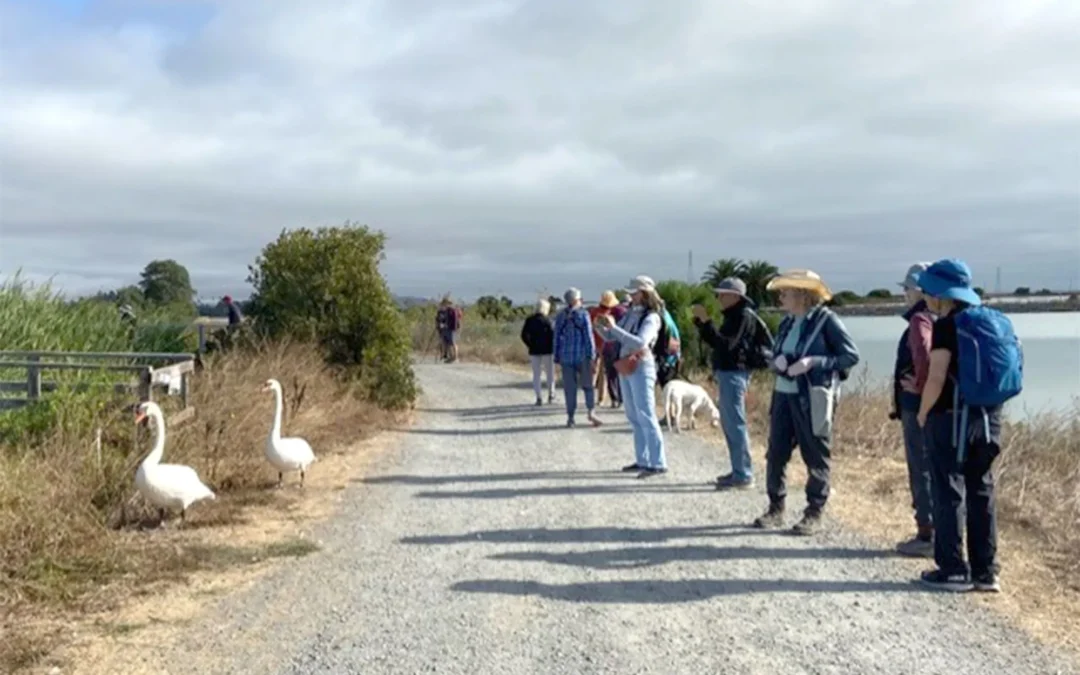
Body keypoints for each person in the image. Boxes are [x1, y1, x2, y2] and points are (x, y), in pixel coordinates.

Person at [915, 258, 1018, 593]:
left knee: (947, 490)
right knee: (981, 489)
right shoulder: (993, 320)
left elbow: (937, 376)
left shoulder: (948, 325)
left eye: (928, 291)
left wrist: (922, 412)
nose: (926, 298)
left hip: (950, 417)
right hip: (988, 417)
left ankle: (953, 569)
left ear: (940, 294)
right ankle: (986, 572)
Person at [753, 269, 859, 535]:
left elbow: (850, 356)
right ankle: (776, 508)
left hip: (810, 398)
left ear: (802, 294)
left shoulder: (827, 321)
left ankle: (814, 512)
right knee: (776, 452)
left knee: (815, 454)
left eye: (785, 292)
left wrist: (814, 362)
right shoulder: (787, 322)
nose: (781, 296)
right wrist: (775, 360)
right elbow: (777, 353)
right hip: (782, 395)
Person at [691, 277, 773, 490]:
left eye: (722, 294)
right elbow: (720, 344)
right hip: (730, 373)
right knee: (730, 423)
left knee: (735, 423)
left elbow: (726, 345)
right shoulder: (735, 316)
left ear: (735, 296)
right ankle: (739, 470)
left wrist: (707, 323)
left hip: (735, 374)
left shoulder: (741, 317)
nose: (719, 298)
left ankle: (744, 474)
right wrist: (703, 325)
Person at [594, 275, 667, 478]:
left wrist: (614, 328)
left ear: (643, 293)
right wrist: (600, 327)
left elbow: (641, 342)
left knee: (645, 413)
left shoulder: (652, 317)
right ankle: (643, 459)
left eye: (633, 292)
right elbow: (613, 337)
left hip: (642, 365)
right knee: (633, 415)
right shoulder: (630, 314)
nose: (630, 296)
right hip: (626, 364)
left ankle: (658, 462)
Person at [891, 263, 936, 558]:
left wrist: (918, 385)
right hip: (936, 404)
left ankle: (926, 534)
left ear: (918, 290)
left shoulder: (920, 319)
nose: (904, 294)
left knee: (921, 468)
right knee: (935, 467)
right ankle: (938, 532)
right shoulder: (939, 316)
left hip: (917, 404)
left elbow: (922, 352)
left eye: (906, 288)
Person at [553, 288, 601, 428]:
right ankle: (591, 411)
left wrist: (556, 356)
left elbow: (556, 337)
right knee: (588, 386)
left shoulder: (561, 316)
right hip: (583, 356)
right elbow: (588, 337)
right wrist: (592, 356)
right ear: (577, 300)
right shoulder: (583, 314)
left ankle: (571, 417)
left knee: (570, 389)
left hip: (566, 357)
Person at [588, 291, 625, 406]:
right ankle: (605, 398)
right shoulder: (617, 312)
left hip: (596, 344)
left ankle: (596, 395)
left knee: (598, 371)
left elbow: (590, 328)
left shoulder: (594, 312)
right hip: (610, 345)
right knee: (608, 374)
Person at [521, 298, 555, 405]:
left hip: (534, 351)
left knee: (536, 374)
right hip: (548, 350)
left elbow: (523, 335)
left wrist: (530, 345)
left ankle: (539, 397)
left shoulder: (529, 320)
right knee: (550, 374)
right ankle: (551, 395)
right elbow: (553, 335)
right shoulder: (548, 321)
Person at [597, 291, 627, 408]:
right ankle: (621, 398)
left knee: (611, 375)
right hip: (620, 346)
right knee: (621, 374)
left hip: (609, 347)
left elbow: (606, 332)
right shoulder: (624, 312)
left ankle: (615, 399)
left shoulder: (609, 313)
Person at [435, 297, 460, 363]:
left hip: (452, 329)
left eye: (446, 303)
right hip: (446, 328)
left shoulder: (453, 310)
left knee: (453, 343)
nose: (445, 304)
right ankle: (451, 357)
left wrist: (454, 329)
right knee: (447, 343)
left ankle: (455, 358)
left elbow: (454, 320)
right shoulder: (447, 310)